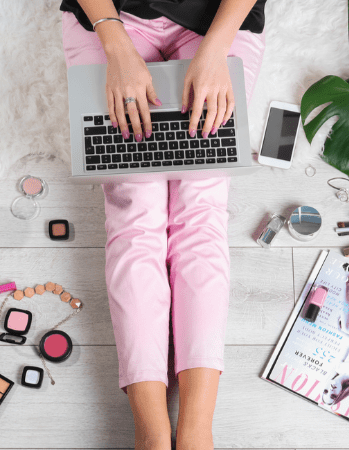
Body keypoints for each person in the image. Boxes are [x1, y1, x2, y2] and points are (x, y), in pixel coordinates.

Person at [59, 1, 266, 449]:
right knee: (135, 210)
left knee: (202, 207)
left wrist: (215, 49)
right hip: (108, 18)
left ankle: (196, 430)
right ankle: (150, 432)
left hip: (220, 20)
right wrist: (116, 46)